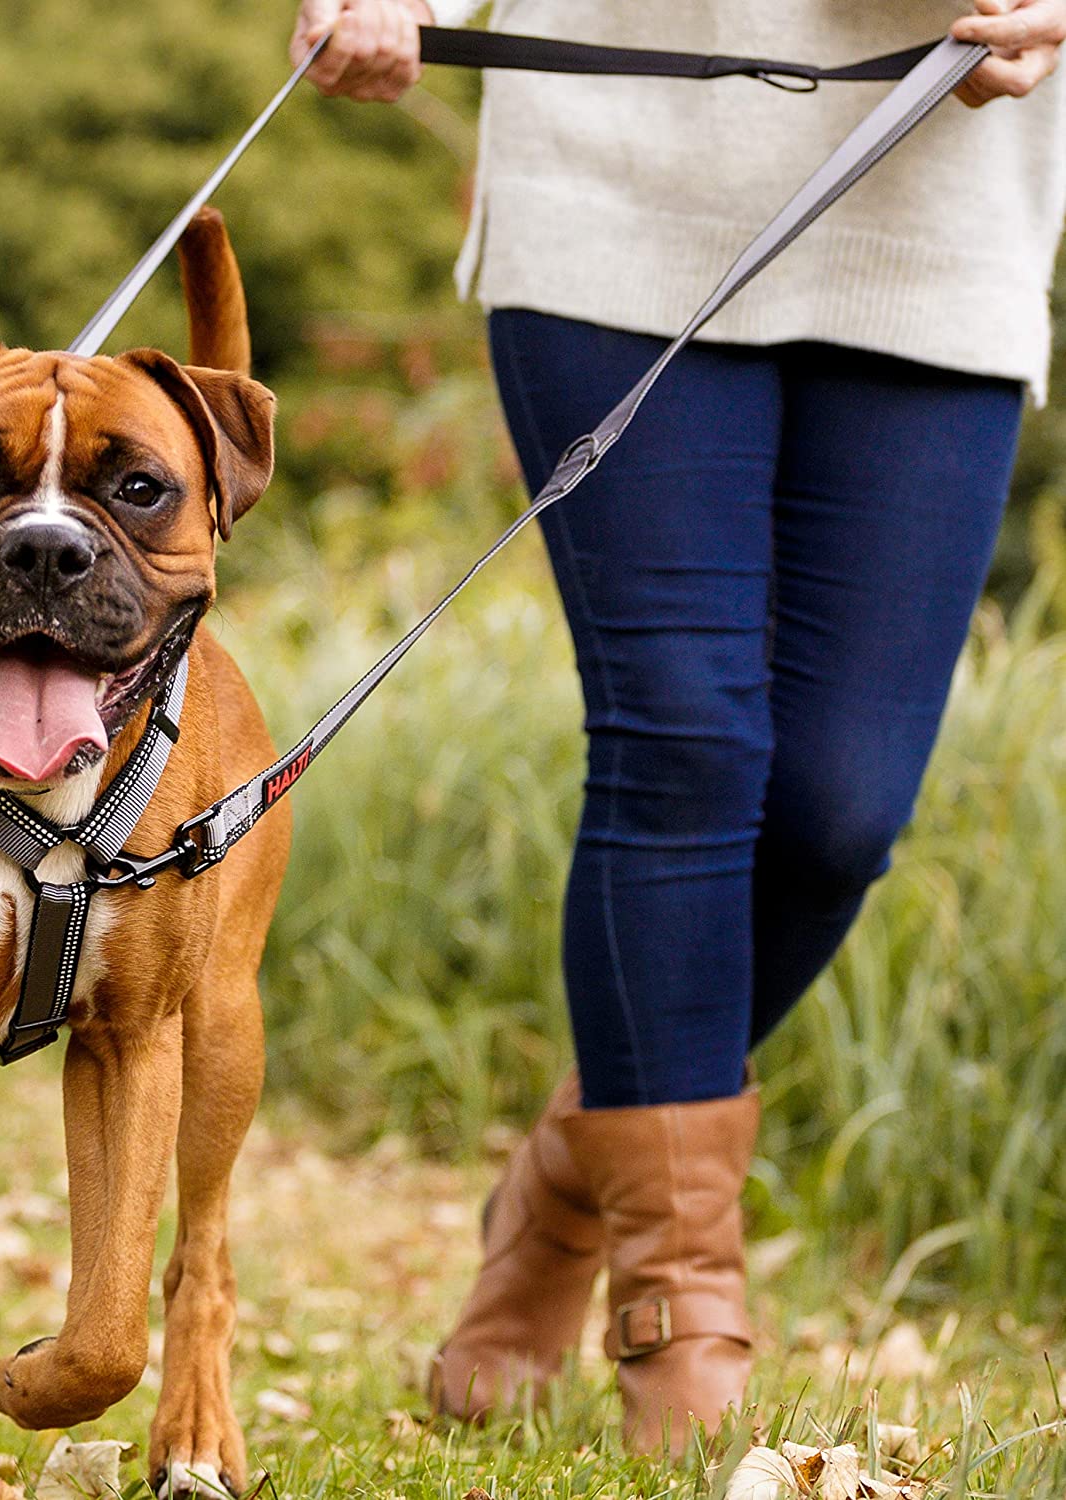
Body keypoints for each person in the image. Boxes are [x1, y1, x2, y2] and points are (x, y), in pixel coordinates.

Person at [288, 0, 1066, 1457]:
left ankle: (563, 1191)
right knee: (686, 738)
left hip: (942, 198)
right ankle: (678, 1308)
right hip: (620, 185)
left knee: (841, 812)